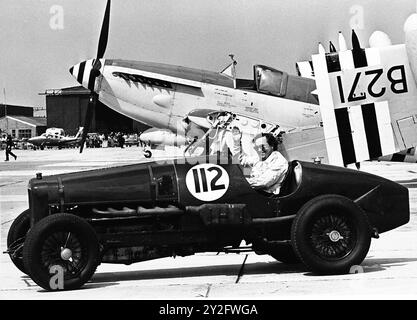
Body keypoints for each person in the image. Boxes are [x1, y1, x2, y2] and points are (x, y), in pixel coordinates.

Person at [231, 127, 288, 195]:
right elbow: (241, 159)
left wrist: (239, 183)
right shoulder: (261, 158)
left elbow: (264, 183)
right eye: (257, 148)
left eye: (262, 147)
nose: (259, 150)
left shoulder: (279, 161)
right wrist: (236, 142)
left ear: (272, 145)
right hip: (255, 192)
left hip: (265, 196)